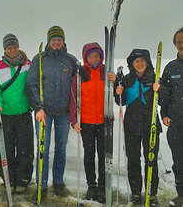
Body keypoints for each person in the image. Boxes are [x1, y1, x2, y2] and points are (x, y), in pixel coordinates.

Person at [26, 26, 78, 198]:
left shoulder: (71, 60)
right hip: (44, 113)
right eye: (53, 39)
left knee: (60, 149)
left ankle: (58, 182)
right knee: (43, 149)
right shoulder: (39, 59)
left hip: (63, 113)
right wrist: (38, 108)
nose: (56, 42)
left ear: (63, 41)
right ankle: (42, 184)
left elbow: (78, 85)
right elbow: (31, 84)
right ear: (49, 41)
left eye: (59, 39)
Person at [112, 49, 162, 206]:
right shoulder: (127, 80)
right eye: (136, 61)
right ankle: (135, 192)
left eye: (142, 61)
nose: (140, 64)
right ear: (131, 64)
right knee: (133, 160)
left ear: (147, 63)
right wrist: (117, 92)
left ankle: (151, 193)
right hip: (132, 126)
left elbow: (164, 99)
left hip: (151, 126)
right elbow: (121, 102)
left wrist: (160, 90)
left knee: (151, 161)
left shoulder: (155, 78)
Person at [0, 33, 34, 193]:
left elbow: (33, 85)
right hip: (6, 115)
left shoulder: (27, 64)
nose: (12, 50)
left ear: (18, 47)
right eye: (9, 47)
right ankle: (8, 178)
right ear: (5, 49)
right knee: (6, 149)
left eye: (15, 47)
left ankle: (23, 179)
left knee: (25, 148)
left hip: (23, 114)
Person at [70, 42, 106, 203]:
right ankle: (91, 185)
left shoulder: (106, 71)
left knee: (104, 156)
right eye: (90, 56)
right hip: (86, 122)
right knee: (89, 155)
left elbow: (116, 92)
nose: (93, 59)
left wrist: (116, 80)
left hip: (104, 121)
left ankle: (103, 185)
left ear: (101, 57)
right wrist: (73, 120)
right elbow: (73, 98)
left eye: (96, 56)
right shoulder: (81, 74)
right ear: (85, 57)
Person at [159, 27, 183, 207]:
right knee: (179, 162)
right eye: (179, 42)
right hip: (176, 124)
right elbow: (164, 97)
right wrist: (165, 115)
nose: (181, 45)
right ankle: (181, 194)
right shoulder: (171, 68)